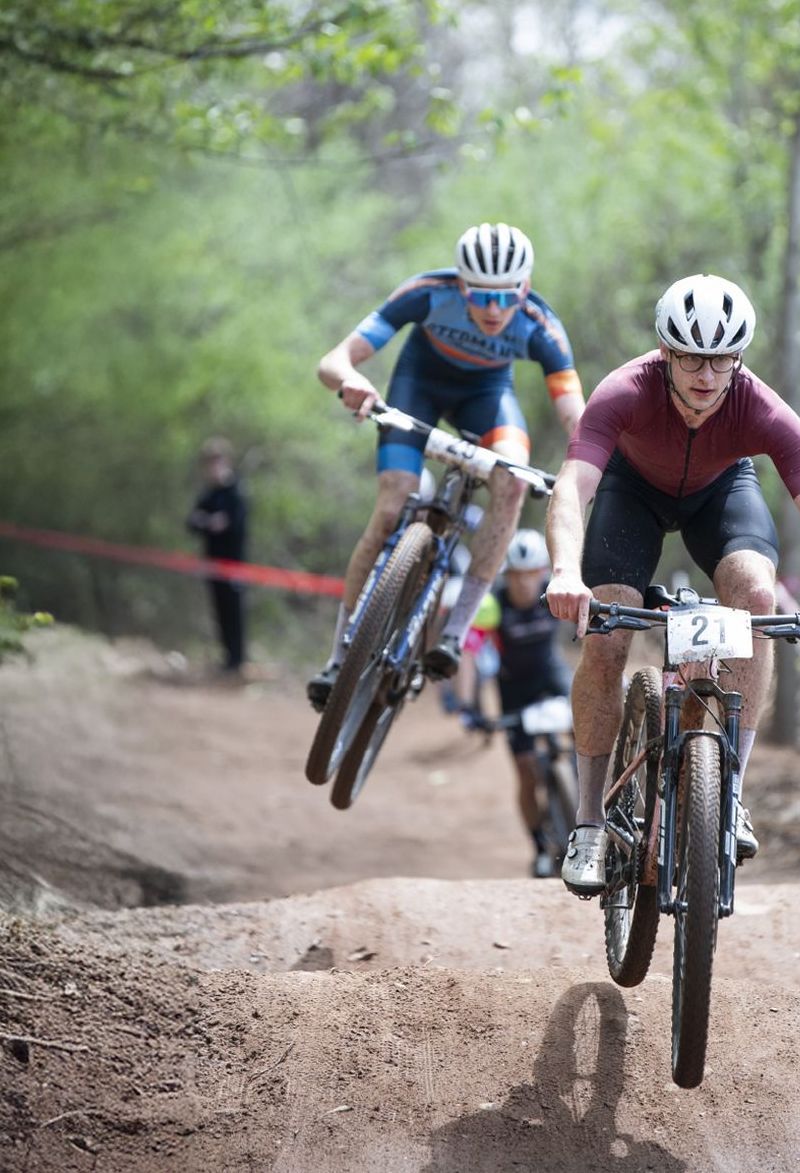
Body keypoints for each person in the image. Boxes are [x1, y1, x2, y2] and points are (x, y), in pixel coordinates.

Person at [543, 274, 800, 896]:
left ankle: (732, 794)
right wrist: (565, 571)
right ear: (665, 353)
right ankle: (587, 823)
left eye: (722, 358)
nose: (706, 373)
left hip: (719, 495)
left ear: (739, 358)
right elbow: (571, 489)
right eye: (691, 356)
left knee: (756, 597)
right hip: (630, 495)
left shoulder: (762, 407)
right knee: (608, 631)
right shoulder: (623, 393)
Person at [307, 222, 584, 711]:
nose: (495, 309)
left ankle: (454, 634)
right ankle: (338, 656)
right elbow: (334, 360)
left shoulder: (541, 326)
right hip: (417, 388)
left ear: (525, 287)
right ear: (460, 284)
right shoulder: (426, 293)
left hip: (488, 400)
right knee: (393, 502)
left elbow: (574, 415)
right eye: (481, 295)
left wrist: (593, 460)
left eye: (507, 296)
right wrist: (351, 381)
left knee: (512, 480)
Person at [473, 528, 573, 879]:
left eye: (531, 575)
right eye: (517, 575)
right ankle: (540, 847)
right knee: (527, 771)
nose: (524, 583)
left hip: (552, 676)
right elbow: (472, 655)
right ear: (508, 576)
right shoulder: (494, 605)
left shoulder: (555, 596)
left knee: (587, 733)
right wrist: (475, 709)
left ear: (543, 574)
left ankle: (586, 809)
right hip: (513, 689)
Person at [186, 436, 248, 676]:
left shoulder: (237, 491)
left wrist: (213, 522)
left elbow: (233, 525)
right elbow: (192, 522)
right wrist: (209, 522)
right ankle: (227, 659)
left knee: (234, 611)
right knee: (220, 611)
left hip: (234, 564)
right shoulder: (209, 494)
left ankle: (238, 661)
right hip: (212, 564)